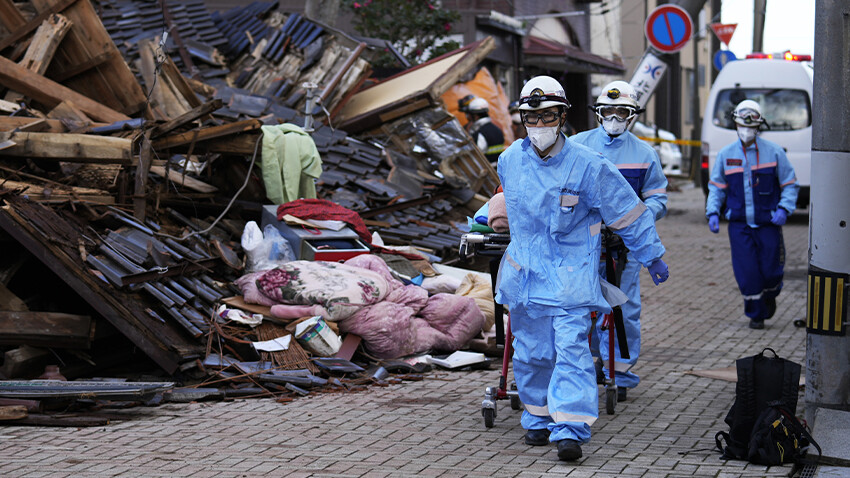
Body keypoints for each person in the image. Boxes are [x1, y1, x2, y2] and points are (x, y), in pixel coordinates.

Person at [495, 75, 669, 461]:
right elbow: (505, 206)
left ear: (563, 116)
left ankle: (571, 428)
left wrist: (651, 254)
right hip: (525, 278)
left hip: (572, 279)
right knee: (531, 353)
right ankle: (538, 418)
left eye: (548, 116)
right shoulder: (509, 161)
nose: (540, 125)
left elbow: (627, 213)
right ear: (523, 118)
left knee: (572, 350)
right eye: (532, 117)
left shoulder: (590, 165)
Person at [571, 80, 668, 403]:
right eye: (608, 111)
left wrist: (639, 218)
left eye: (621, 112)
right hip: (581, 246)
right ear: (598, 113)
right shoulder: (576, 147)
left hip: (624, 248)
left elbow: (657, 198)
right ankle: (585, 366)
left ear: (631, 115)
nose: (614, 117)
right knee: (580, 307)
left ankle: (621, 371)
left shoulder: (644, 154)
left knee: (624, 309)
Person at [705, 99, 799, 329]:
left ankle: (770, 295)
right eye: (742, 124)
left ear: (759, 126)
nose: (746, 130)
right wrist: (713, 212)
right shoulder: (726, 155)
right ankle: (756, 314)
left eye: (751, 125)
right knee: (747, 272)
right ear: (735, 124)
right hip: (739, 226)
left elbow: (790, 184)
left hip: (768, 223)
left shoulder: (774, 152)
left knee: (770, 271)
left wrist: (784, 209)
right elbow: (717, 187)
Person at [465, 97, 505, 164]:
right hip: (499, 168)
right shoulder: (497, 129)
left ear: (475, 115)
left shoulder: (480, 132)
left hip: (488, 170)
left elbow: (478, 155)